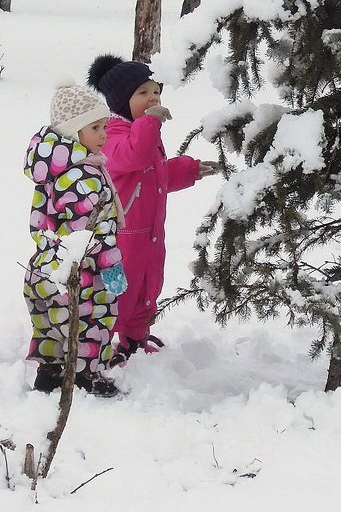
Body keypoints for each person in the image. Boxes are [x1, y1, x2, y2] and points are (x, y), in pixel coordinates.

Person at [87, 54, 219, 366]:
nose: (153, 98)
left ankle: (134, 338)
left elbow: (154, 174)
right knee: (119, 293)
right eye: (142, 93)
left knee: (147, 288)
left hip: (149, 235)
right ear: (121, 101)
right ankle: (100, 346)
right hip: (121, 239)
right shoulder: (112, 136)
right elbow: (134, 157)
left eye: (155, 90)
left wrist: (191, 170)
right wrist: (151, 121)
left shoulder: (142, 133)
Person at [23, 80, 127, 397]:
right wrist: (113, 270)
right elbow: (88, 233)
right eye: (94, 127)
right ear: (72, 132)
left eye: (104, 126)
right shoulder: (82, 175)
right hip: (84, 268)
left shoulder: (56, 170)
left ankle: (50, 372)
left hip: (47, 264)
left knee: (52, 321)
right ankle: (84, 375)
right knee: (93, 318)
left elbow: (44, 221)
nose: (103, 134)